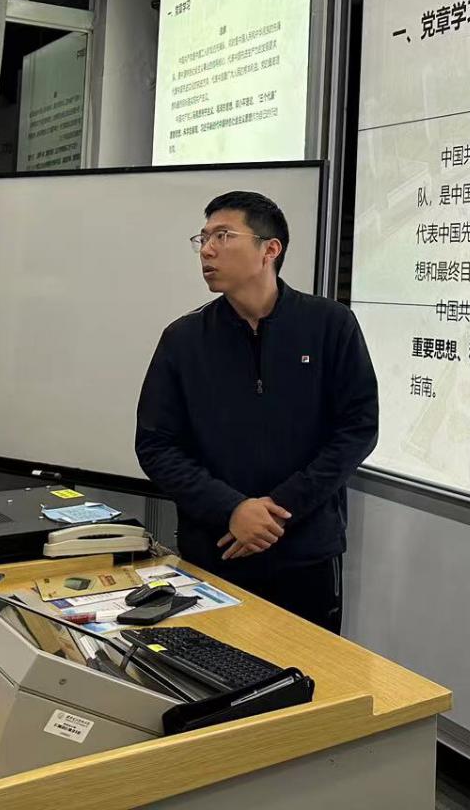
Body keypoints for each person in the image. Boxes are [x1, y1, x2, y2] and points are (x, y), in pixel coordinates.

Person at [135, 190, 377, 634]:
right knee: (209, 670)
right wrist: (232, 509)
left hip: (305, 554)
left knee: (311, 671)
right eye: (203, 238)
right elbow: (156, 445)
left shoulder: (330, 325)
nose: (207, 250)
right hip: (215, 550)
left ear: (270, 249)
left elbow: (357, 429)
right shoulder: (184, 339)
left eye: (223, 236)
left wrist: (278, 509)